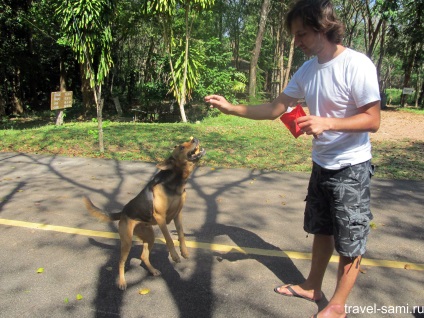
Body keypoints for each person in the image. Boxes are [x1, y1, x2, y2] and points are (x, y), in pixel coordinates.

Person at [204, 0, 381, 317]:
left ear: (322, 27)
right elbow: (276, 108)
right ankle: (313, 286)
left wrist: (328, 122)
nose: (296, 42)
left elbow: (372, 120)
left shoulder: (358, 64)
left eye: (301, 34)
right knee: (321, 230)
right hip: (322, 165)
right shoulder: (308, 69)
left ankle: (337, 306)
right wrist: (231, 108)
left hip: (351, 168)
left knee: (351, 240)